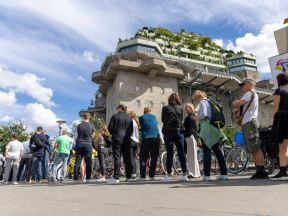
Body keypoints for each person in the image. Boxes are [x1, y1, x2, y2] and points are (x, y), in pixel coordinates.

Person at [232, 78, 268, 180]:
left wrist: (235, 102)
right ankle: (259, 170)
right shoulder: (253, 94)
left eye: (243, 84)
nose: (242, 87)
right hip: (249, 122)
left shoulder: (249, 93)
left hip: (249, 122)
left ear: (249, 84)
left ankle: (262, 171)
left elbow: (237, 104)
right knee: (253, 148)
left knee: (255, 147)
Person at [192, 90, 227, 182]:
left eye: (196, 99)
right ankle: (224, 174)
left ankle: (207, 176)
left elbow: (204, 115)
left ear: (198, 97)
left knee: (206, 151)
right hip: (214, 128)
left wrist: (195, 117)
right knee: (218, 151)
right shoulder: (211, 102)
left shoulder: (202, 102)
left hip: (207, 129)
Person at [161, 93, 188, 182]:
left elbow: (162, 119)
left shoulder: (165, 108)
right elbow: (181, 120)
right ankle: (184, 174)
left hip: (168, 133)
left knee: (169, 153)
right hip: (179, 132)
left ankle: (168, 175)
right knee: (181, 153)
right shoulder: (181, 108)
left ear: (169, 99)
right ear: (177, 99)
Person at [108, 104, 133, 184]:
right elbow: (131, 130)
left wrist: (114, 134)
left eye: (117, 108)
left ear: (120, 108)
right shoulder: (129, 119)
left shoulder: (115, 116)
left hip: (117, 138)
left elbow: (110, 128)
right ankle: (128, 176)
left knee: (117, 157)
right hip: (127, 139)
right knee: (127, 157)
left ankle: (116, 177)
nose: (117, 109)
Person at [271, 73, 288, 179]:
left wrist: (275, 120)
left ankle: (282, 171)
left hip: (284, 118)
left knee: (283, 146)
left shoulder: (279, 91)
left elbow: (276, 106)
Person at [139, 107, 160, 181]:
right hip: (156, 138)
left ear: (144, 111)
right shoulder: (154, 117)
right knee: (154, 157)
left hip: (146, 138)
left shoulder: (141, 117)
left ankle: (142, 176)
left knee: (143, 157)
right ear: (150, 111)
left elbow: (142, 126)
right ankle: (152, 176)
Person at [73, 112, 95, 182]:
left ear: (83, 117)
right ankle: (88, 178)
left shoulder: (79, 125)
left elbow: (78, 134)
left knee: (77, 161)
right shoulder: (91, 126)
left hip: (79, 144)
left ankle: (75, 178)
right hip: (88, 144)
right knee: (88, 161)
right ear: (89, 117)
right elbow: (93, 135)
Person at [183, 103, 201, 178]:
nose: (187, 109)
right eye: (186, 108)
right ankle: (194, 172)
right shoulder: (190, 116)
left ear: (191, 108)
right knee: (191, 156)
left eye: (188, 107)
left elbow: (190, 127)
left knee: (192, 156)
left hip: (191, 136)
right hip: (189, 136)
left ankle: (194, 173)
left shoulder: (191, 116)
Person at [128, 111, 140, 179]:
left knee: (131, 158)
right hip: (137, 141)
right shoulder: (136, 122)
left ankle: (133, 173)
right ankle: (135, 173)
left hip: (131, 140)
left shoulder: (130, 121)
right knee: (134, 158)